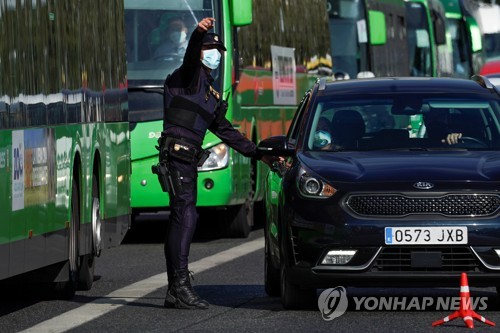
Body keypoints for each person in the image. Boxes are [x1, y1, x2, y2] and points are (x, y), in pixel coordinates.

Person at [154, 17, 277, 310]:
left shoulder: (209, 92)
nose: (215, 53)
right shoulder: (187, 77)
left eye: (218, 50)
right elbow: (190, 55)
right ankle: (180, 287)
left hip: (187, 160)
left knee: (185, 217)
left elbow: (226, 131)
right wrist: (199, 33)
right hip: (177, 156)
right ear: (199, 52)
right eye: (210, 48)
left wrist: (259, 154)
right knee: (185, 217)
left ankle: (176, 288)